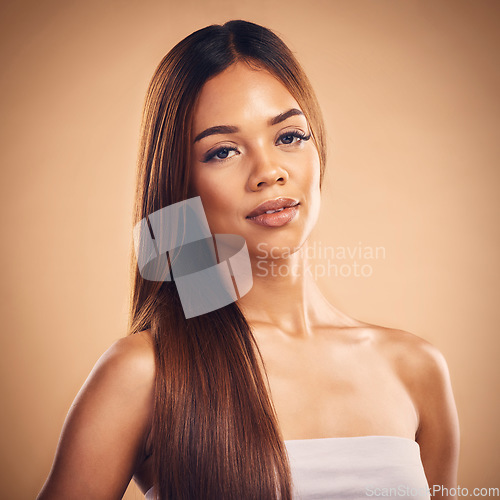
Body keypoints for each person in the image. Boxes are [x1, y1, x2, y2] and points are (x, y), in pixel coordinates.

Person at [37, 20, 460, 500]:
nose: (268, 172)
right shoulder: (146, 373)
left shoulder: (416, 369)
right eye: (223, 151)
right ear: (182, 186)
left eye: (289, 137)